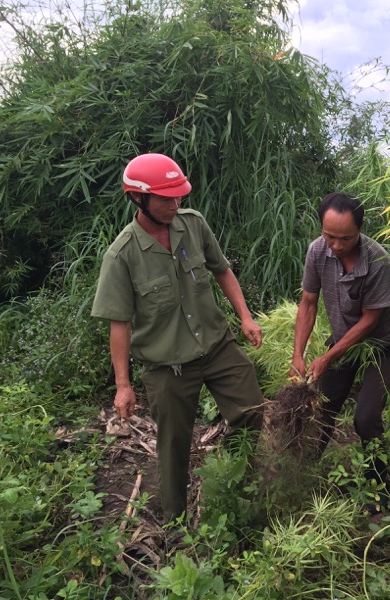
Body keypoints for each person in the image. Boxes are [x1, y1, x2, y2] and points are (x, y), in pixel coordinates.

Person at [91, 153, 265, 525]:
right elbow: (118, 324)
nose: (174, 205)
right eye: (165, 199)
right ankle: (174, 522)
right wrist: (122, 385)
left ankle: (241, 484)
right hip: (167, 366)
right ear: (138, 198)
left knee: (251, 409)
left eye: (178, 197)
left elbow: (222, 271)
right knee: (173, 446)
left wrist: (246, 317)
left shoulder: (193, 225)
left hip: (217, 346)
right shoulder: (121, 255)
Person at [290, 192, 390, 513]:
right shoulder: (317, 251)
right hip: (341, 341)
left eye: (346, 238)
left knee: (366, 418)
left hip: (379, 346)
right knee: (321, 409)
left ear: (361, 228)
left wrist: (327, 357)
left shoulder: (378, 260)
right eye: (329, 236)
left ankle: (380, 489)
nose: (336, 245)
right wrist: (298, 353)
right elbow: (308, 303)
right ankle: (300, 476)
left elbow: (370, 321)